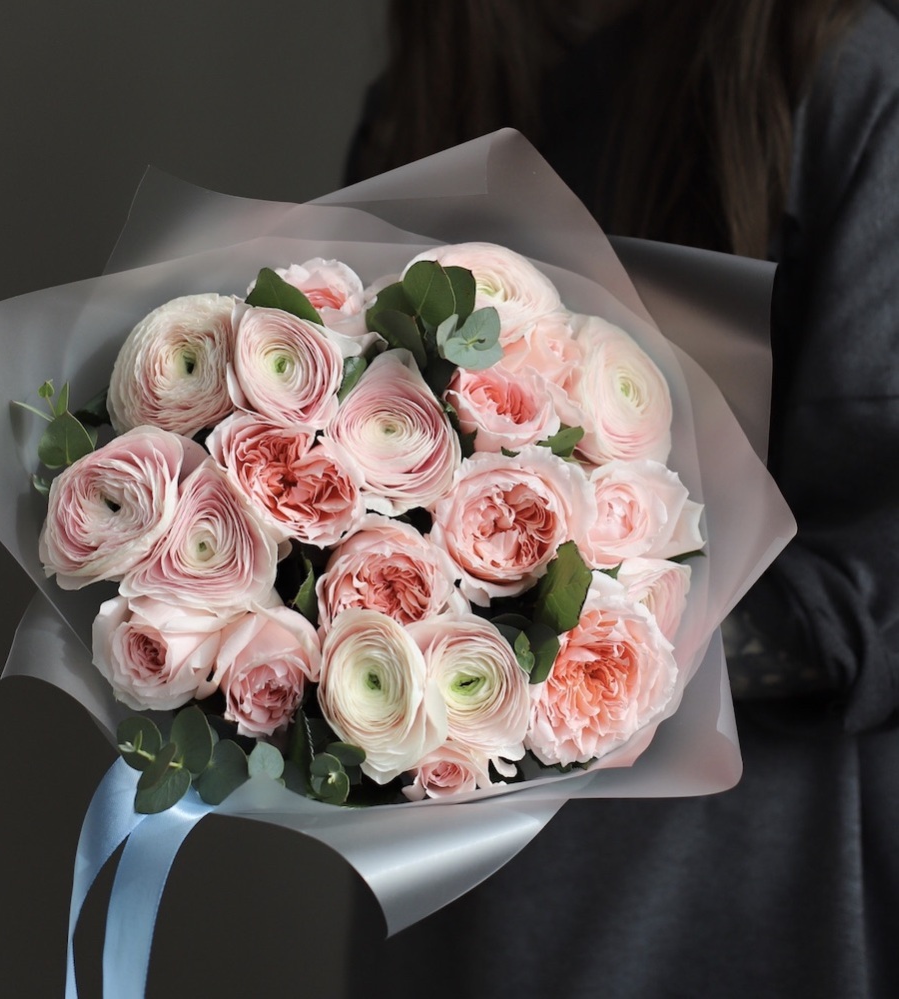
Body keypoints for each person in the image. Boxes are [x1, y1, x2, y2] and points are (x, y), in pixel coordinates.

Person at [342, 2, 899, 996]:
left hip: (731, 922)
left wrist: (536, 611)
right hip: (457, 929)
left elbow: (877, 586)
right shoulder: (419, 113)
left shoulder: (843, 83)